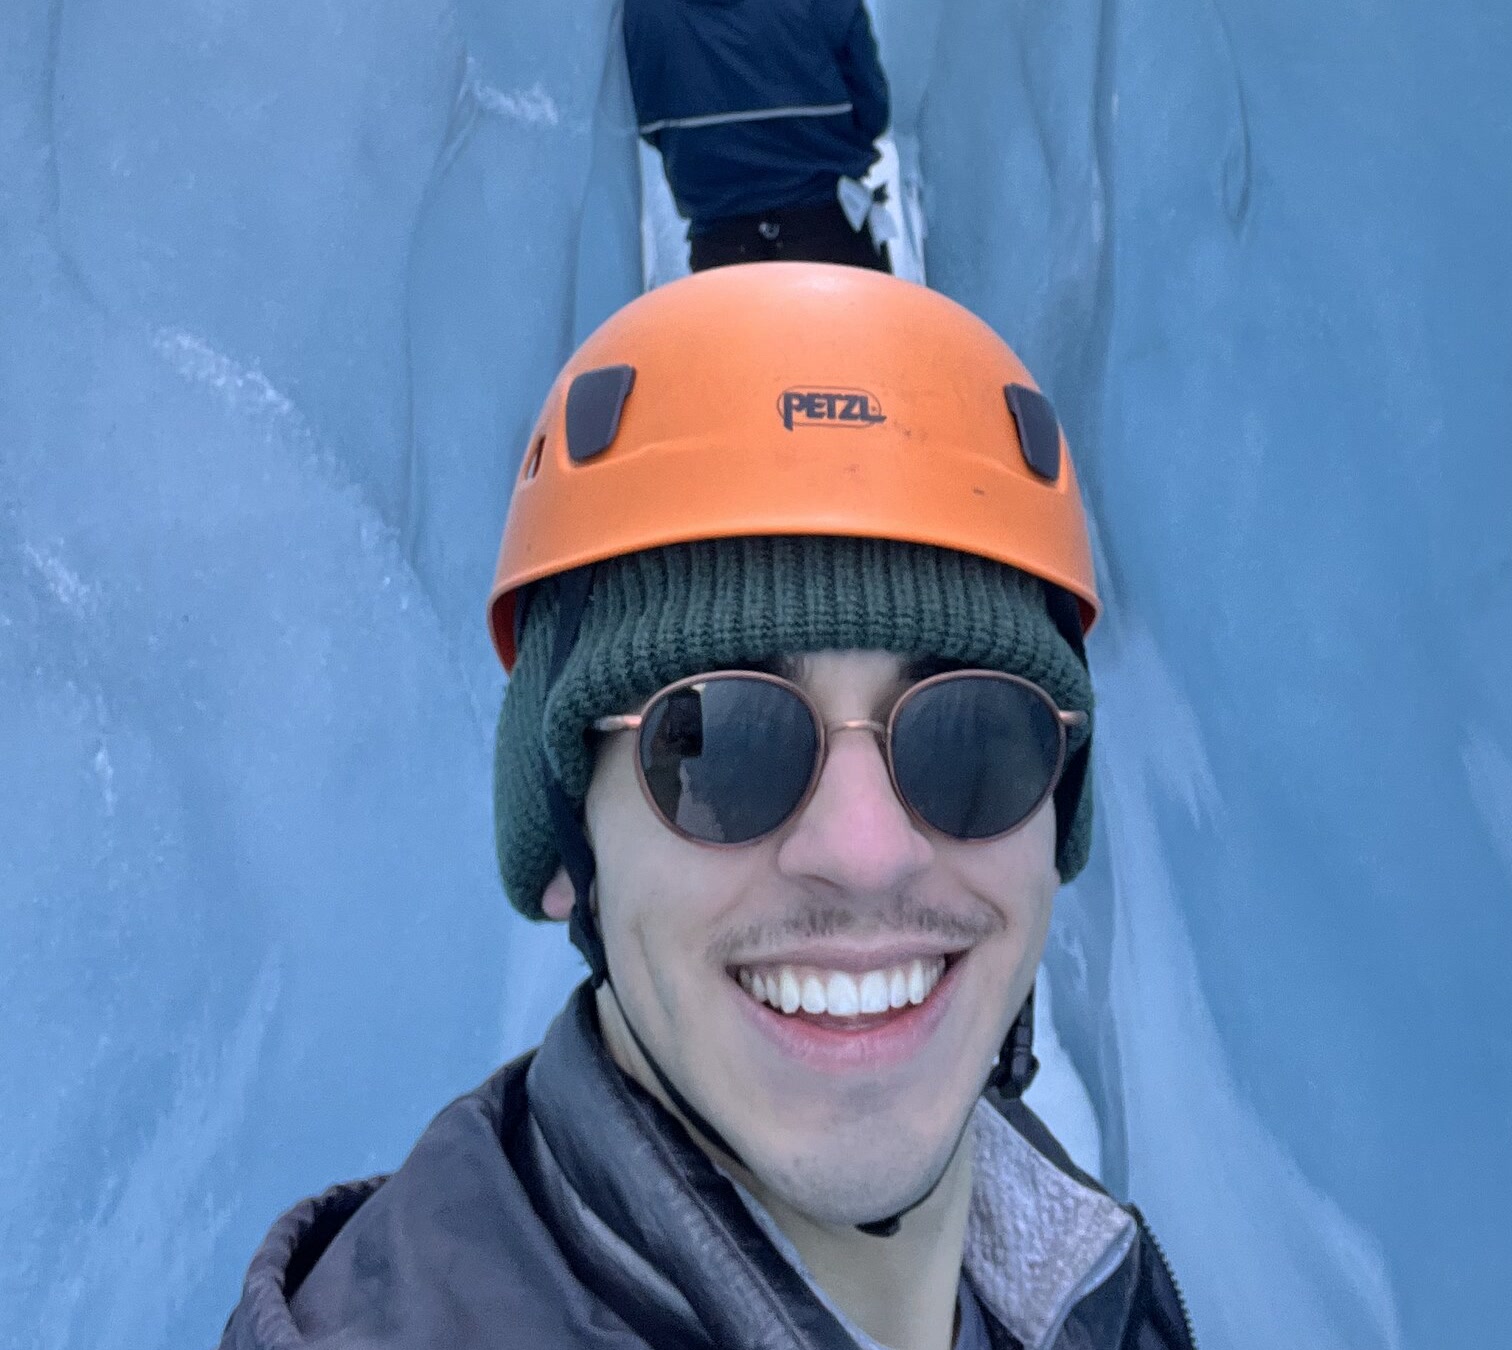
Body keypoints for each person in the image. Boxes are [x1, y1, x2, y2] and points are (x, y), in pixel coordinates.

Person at [218, 263, 1193, 1350]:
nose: (865, 851)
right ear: (561, 843)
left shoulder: (1073, 1270)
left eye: (973, 737)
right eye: (719, 741)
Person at [623, 0, 895, 273]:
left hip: (721, 248)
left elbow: (648, 120)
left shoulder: (646, 9)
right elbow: (872, 112)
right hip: (831, 232)